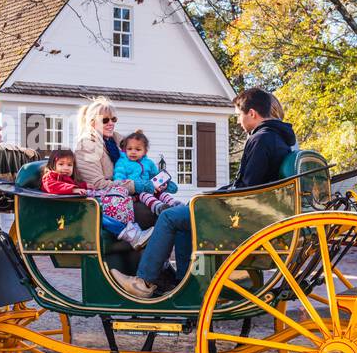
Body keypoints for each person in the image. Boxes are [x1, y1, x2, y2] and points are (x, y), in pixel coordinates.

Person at [112, 87, 297, 298]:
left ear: (252, 113)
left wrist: (211, 201)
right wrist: (209, 196)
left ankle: (143, 281)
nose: (238, 121)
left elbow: (247, 189)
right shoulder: (278, 138)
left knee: (168, 216)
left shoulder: (261, 138)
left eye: (239, 116)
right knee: (183, 217)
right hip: (257, 213)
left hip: (242, 216)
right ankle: (184, 284)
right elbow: (248, 184)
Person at [40, 149, 153, 247]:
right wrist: (73, 189)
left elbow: (74, 185)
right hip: (62, 217)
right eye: (61, 164)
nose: (66, 168)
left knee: (100, 214)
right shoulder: (49, 177)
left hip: (76, 211)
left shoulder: (68, 179)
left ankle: (133, 232)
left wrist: (84, 186)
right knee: (97, 215)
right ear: (52, 165)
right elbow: (53, 187)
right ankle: (132, 235)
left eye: (69, 165)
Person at [113, 131, 180, 214]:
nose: (133, 152)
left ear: (145, 151)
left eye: (138, 149)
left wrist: (163, 185)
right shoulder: (122, 163)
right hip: (135, 194)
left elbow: (154, 176)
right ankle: (159, 207)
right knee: (145, 195)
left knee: (163, 194)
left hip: (151, 190)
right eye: (129, 149)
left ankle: (176, 205)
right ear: (125, 149)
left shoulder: (149, 163)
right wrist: (129, 185)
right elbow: (118, 180)